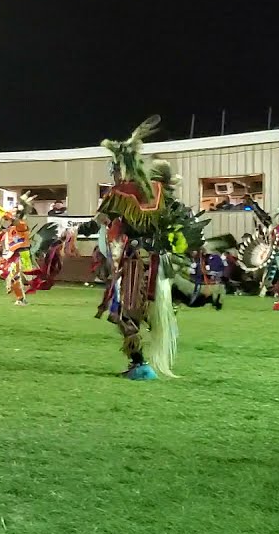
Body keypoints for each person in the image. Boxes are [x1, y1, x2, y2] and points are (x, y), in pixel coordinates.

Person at [91, 116, 217, 379]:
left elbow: (105, 216)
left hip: (138, 260)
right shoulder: (169, 203)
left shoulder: (140, 197)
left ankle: (139, 365)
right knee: (143, 311)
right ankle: (140, 360)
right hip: (158, 263)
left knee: (125, 312)